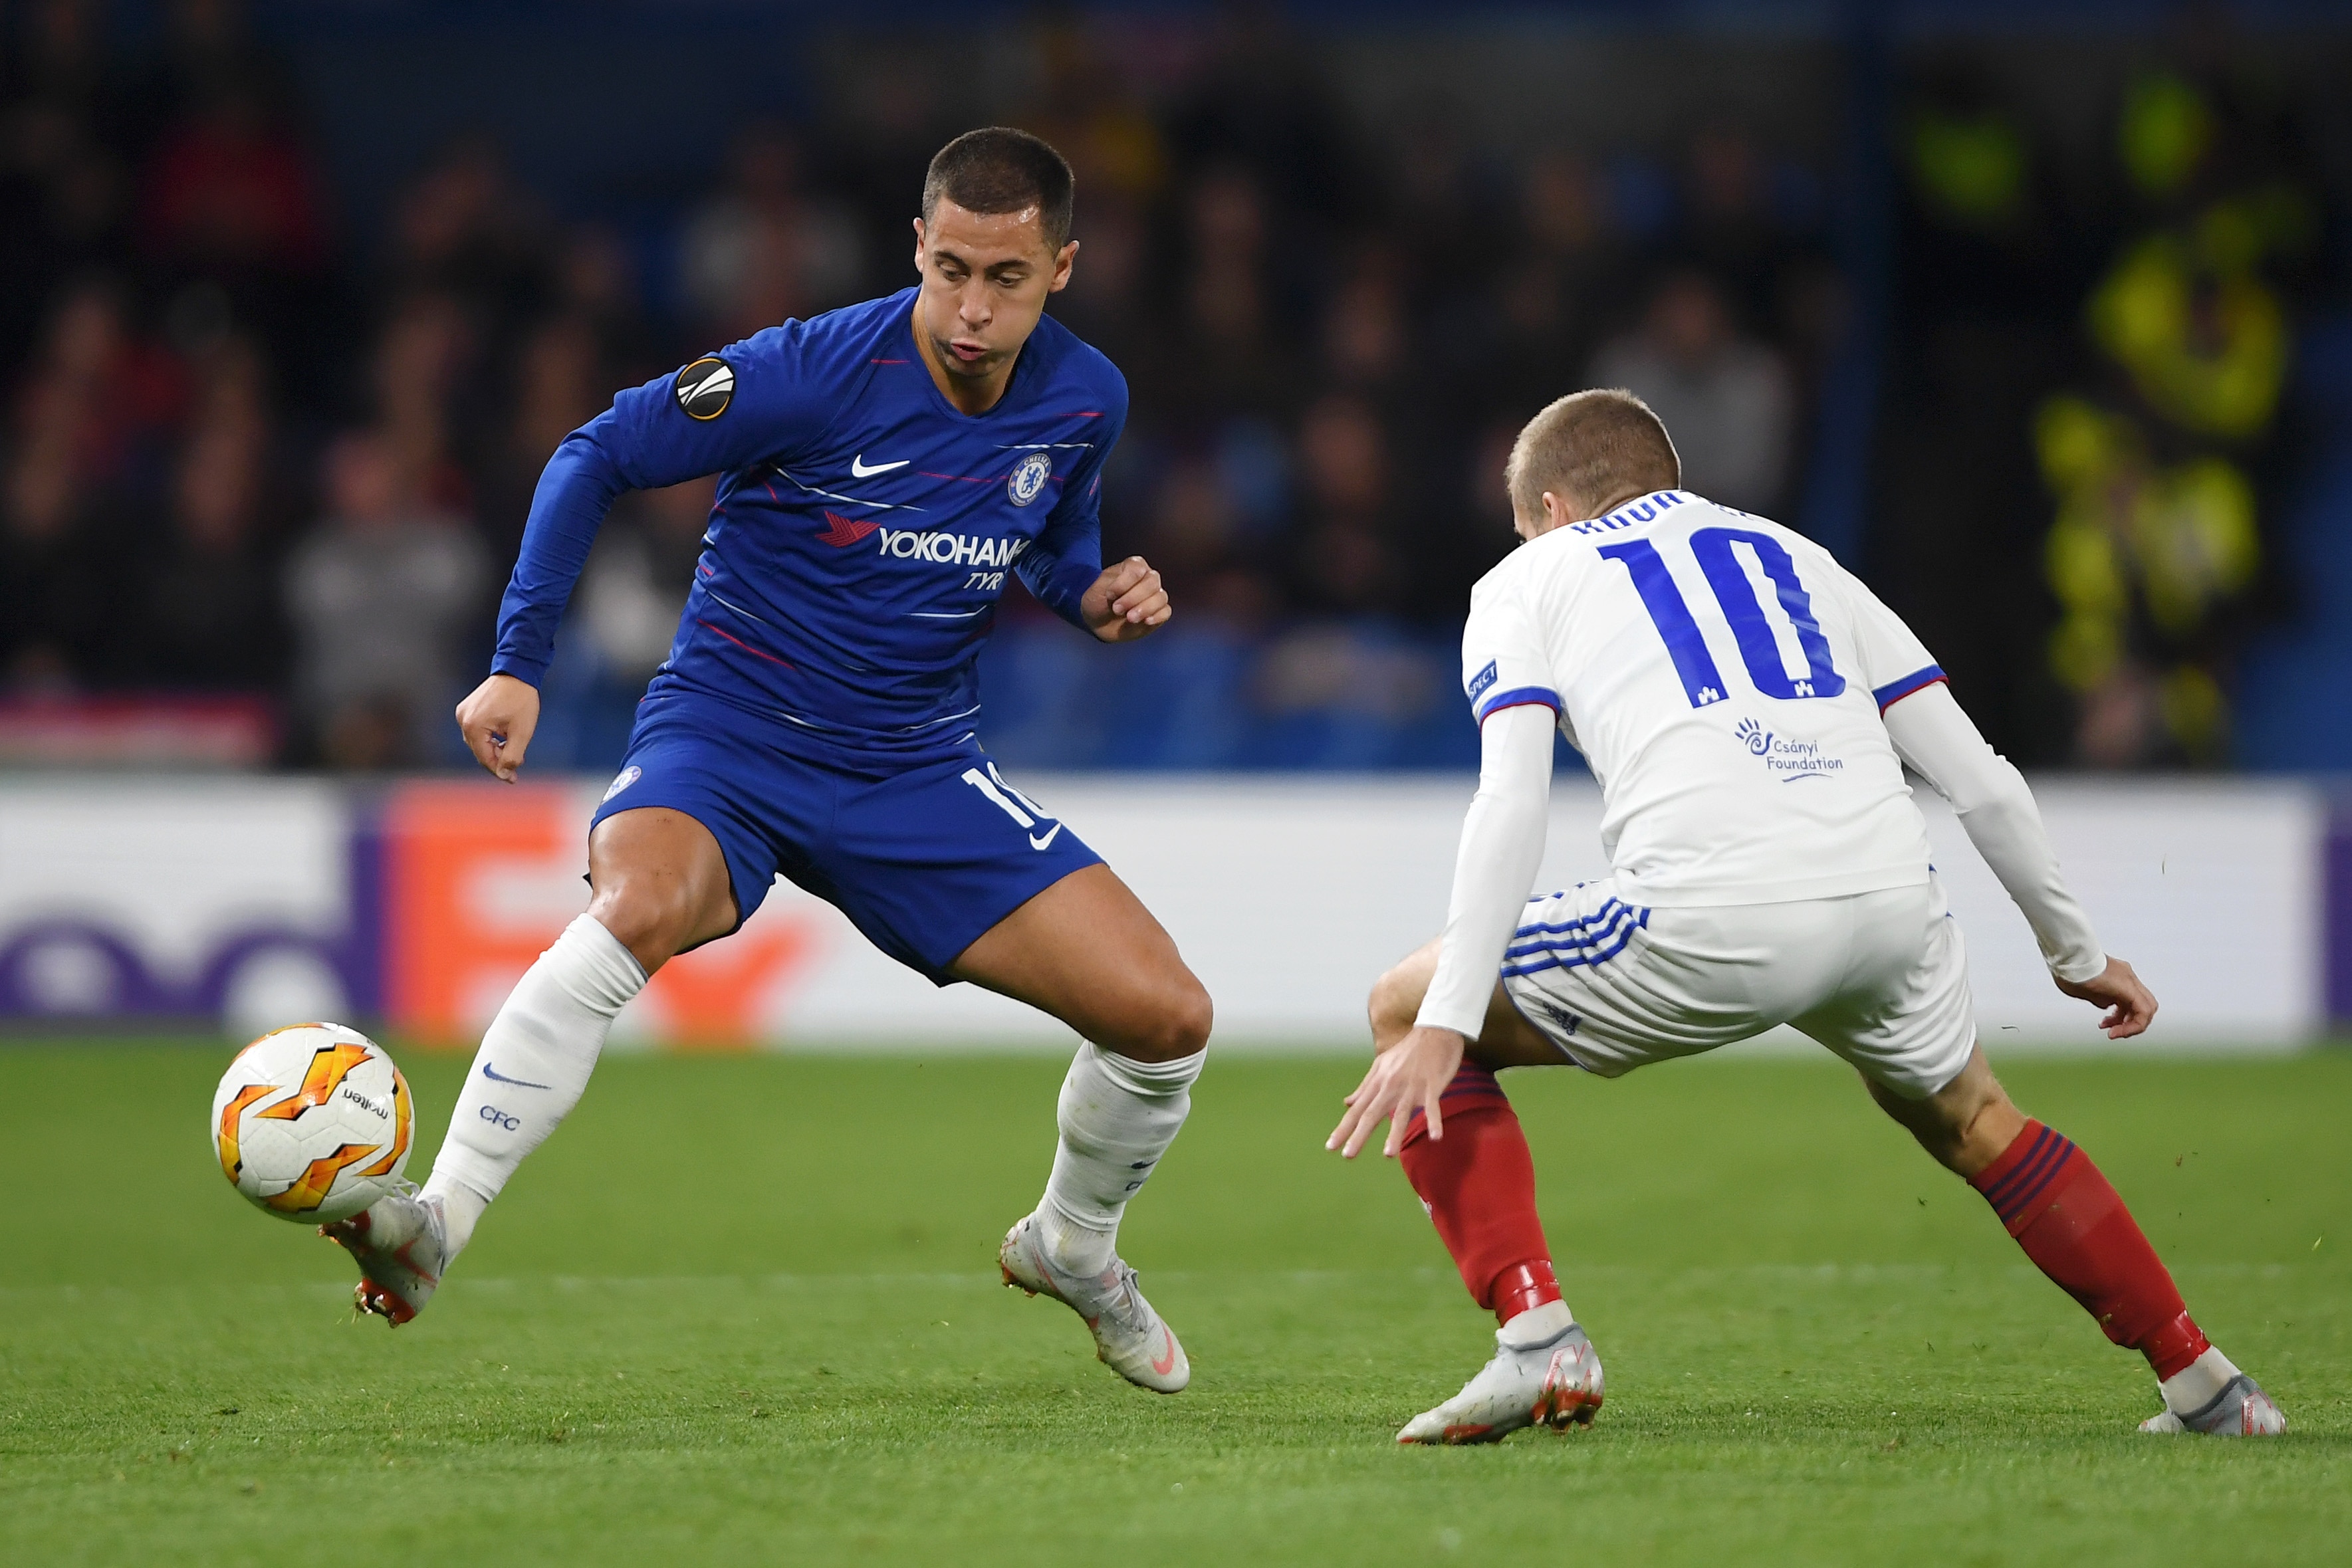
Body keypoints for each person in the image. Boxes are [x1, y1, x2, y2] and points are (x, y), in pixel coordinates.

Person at [326, 128, 1212, 1395]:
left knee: (1168, 1021)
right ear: (916, 244)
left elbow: (1047, 543)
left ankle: (1072, 1245)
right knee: (635, 907)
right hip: (729, 738)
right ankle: (438, 1224)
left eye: (1004, 280)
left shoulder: (1086, 399)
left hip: (913, 768)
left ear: (1062, 268)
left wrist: (1095, 595)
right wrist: (518, 659)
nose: (969, 308)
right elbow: (593, 453)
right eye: (948, 268)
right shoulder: (810, 369)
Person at [1327, 388, 2284, 1444]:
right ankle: (2206, 1386)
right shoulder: (1796, 556)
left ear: (1550, 509)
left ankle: (1535, 1339)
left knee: (1397, 1003)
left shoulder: (1525, 578)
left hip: (1709, 912)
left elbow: (1509, 800)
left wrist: (1444, 1022)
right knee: (1975, 1119)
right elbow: (1982, 782)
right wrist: (2074, 952)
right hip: (1885, 904)